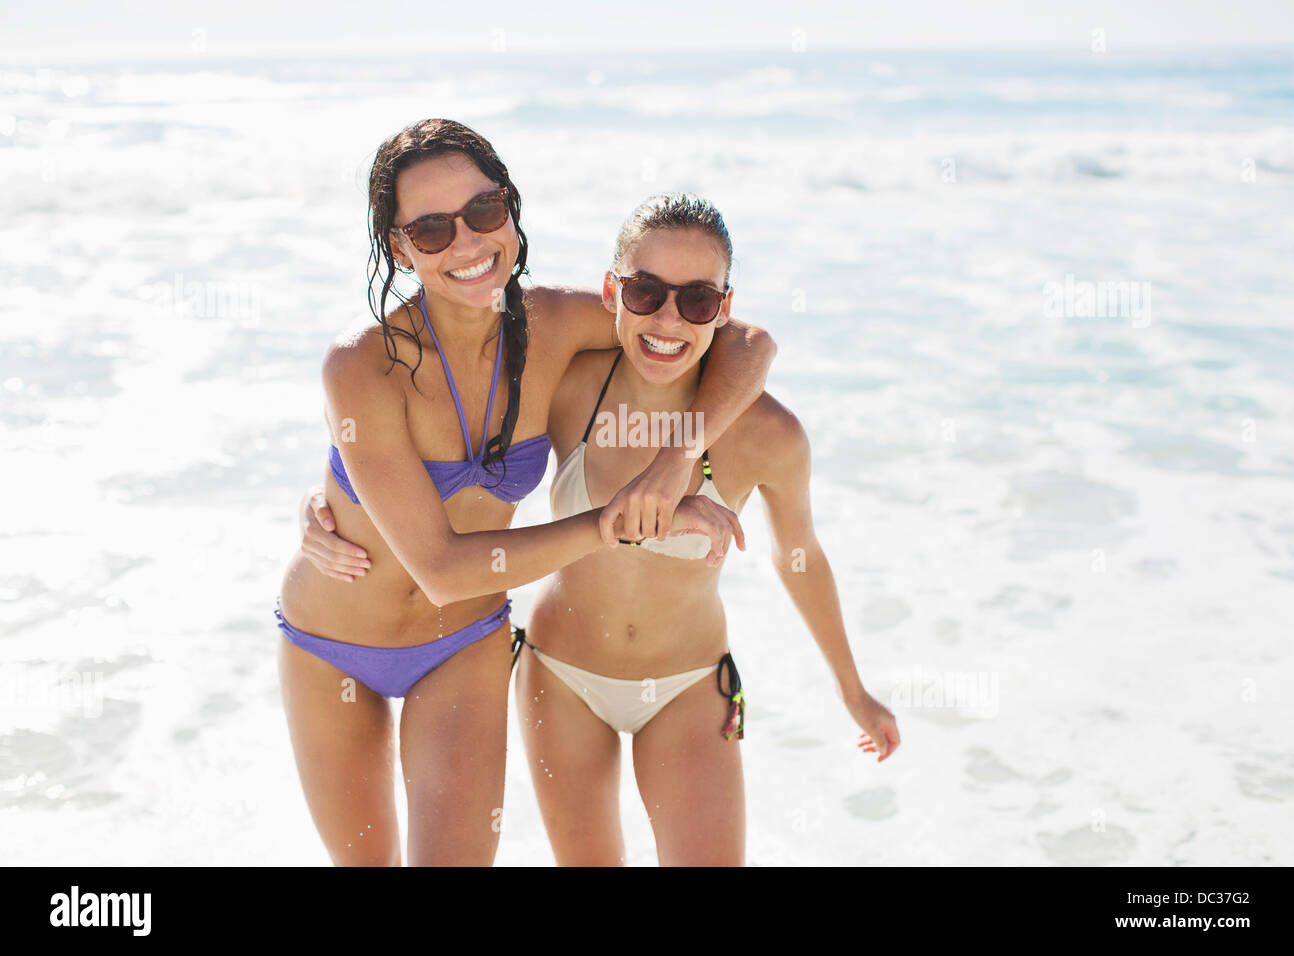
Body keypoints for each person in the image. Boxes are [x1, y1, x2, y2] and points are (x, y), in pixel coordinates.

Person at [306, 192, 900, 867]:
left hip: (689, 683)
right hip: (561, 678)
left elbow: (801, 557)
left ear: (724, 309)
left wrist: (853, 690)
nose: (669, 321)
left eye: (698, 301)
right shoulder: (567, 387)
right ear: (614, 291)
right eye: (646, 293)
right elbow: (431, 448)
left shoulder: (769, 434)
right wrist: (325, 505)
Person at [278, 119, 774, 866]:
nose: (469, 243)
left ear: (509, 209)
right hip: (332, 645)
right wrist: (619, 522)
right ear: (399, 248)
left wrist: (679, 459)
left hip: (463, 642)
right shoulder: (361, 364)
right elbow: (440, 567)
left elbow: (745, 342)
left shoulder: (559, 324)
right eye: (433, 229)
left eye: (483, 212)